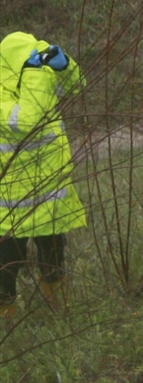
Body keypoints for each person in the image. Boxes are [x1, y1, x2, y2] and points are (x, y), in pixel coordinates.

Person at [0, 33, 86, 317]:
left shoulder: (39, 78)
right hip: (10, 205)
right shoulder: (8, 90)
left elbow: (78, 86)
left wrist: (65, 65)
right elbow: (27, 121)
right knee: (7, 265)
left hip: (49, 196)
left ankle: (59, 312)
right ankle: (7, 320)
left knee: (54, 258)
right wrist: (34, 73)